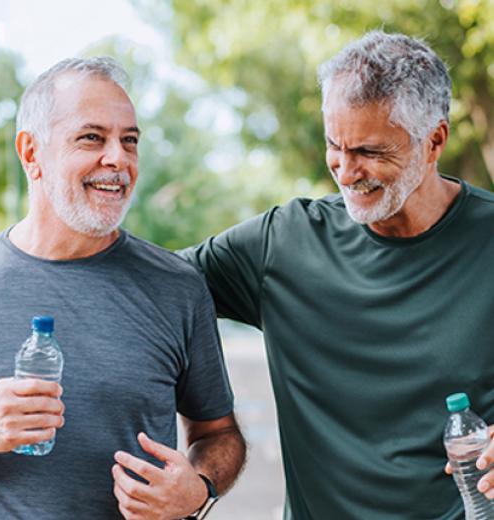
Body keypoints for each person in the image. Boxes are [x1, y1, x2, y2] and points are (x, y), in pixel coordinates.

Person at [180, 31, 494, 519]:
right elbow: (144, 286)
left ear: (435, 141)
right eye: (334, 144)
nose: (346, 171)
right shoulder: (281, 244)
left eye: (369, 151)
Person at [0, 57, 245, 520]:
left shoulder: (177, 287)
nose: (118, 159)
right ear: (31, 153)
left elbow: (220, 434)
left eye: (129, 141)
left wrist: (199, 489)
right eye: (92, 137)